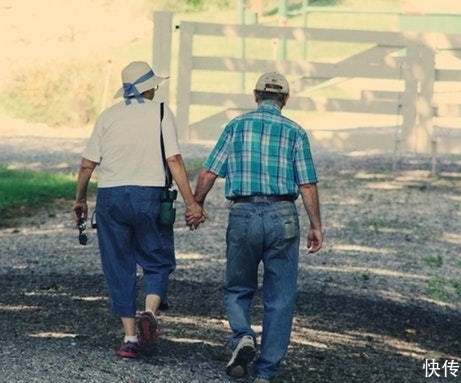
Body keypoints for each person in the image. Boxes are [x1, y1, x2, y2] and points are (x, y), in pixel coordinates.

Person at [191, 72, 323, 382]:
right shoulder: (295, 132)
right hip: (283, 214)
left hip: (244, 212)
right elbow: (307, 184)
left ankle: (242, 337)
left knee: (238, 286)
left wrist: (196, 204)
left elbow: (209, 173)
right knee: (281, 295)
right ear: (285, 100)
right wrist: (316, 225)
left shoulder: (235, 127)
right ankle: (266, 372)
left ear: (255, 96)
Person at [73, 61, 205, 359]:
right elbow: (174, 159)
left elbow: (86, 164)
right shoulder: (160, 112)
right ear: (149, 88)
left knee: (119, 265)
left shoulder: (107, 116)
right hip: (150, 195)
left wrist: (80, 199)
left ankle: (130, 337)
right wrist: (191, 203)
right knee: (157, 260)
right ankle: (150, 312)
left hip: (112, 197)